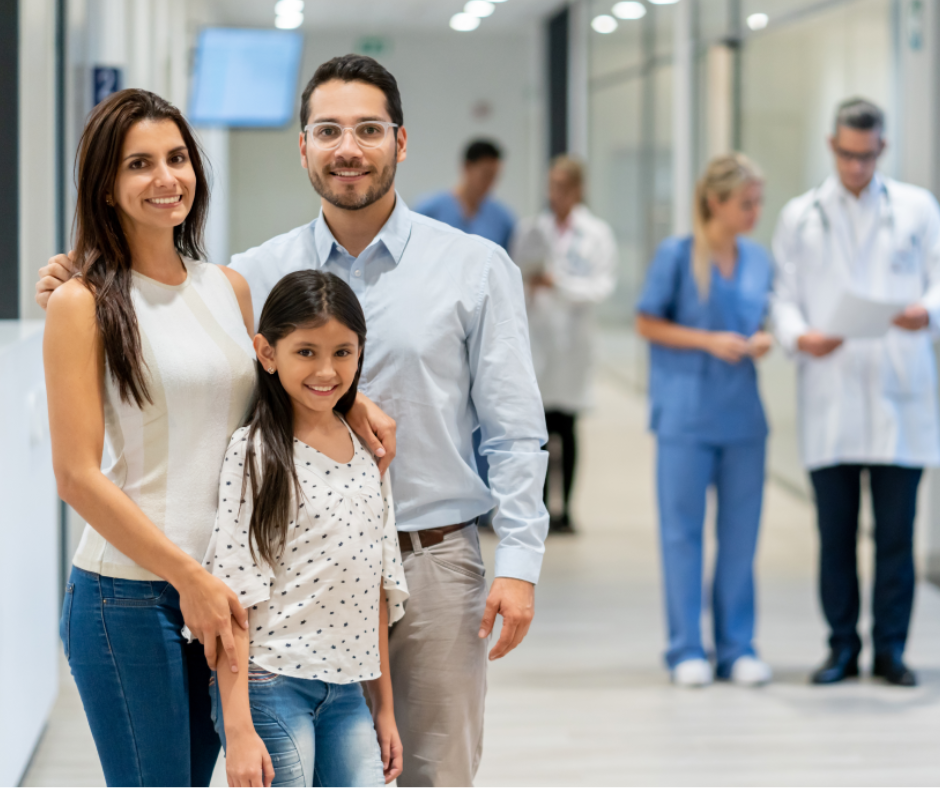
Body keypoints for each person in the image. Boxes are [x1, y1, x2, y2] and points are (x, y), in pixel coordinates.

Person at [40, 55, 549, 787]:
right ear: (303, 146)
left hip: (426, 561)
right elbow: (172, 400)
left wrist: (520, 566)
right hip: (253, 578)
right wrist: (73, 286)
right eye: (329, 129)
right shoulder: (256, 272)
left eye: (369, 129)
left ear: (400, 142)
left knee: (429, 770)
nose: (349, 147)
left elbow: (513, 428)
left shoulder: (466, 266)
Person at [42, 89, 258, 786]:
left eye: (177, 158)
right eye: (140, 164)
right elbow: (76, 475)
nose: (167, 179)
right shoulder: (83, 302)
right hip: (128, 598)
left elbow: (265, 422)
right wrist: (185, 575)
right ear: (106, 186)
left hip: (220, 588)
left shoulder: (229, 287)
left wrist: (358, 407)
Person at [206, 270, 408, 788]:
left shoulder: (368, 455)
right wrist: (239, 729)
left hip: (346, 692)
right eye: (306, 352)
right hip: (270, 684)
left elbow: (377, 589)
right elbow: (231, 601)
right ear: (267, 353)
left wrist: (383, 708)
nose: (326, 369)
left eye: (343, 352)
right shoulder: (254, 453)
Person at [771, 98, 940, 688]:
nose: (855, 168)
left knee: (896, 539)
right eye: (846, 155)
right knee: (835, 536)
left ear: (882, 150)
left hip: (901, 394)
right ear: (831, 146)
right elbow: (783, 295)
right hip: (832, 389)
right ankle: (841, 647)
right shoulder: (801, 214)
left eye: (866, 157)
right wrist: (799, 336)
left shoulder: (919, 208)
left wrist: (929, 312)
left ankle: (890, 651)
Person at [636, 153, 774, 688]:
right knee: (682, 535)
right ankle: (685, 647)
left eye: (759, 202)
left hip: (743, 419)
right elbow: (647, 321)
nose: (755, 212)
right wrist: (708, 341)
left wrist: (761, 339)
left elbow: (763, 317)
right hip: (686, 417)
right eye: (747, 203)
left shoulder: (759, 259)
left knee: (741, 538)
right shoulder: (677, 255)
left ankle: (738, 647)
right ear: (715, 202)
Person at [511, 156, 616, 533]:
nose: (555, 193)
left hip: (573, 343)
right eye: (551, 184)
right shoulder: (531, 229)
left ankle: (566, 510)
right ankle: (539, 507)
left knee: (567, 427)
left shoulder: (597, 233)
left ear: (578, 188)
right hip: (538, 340)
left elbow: (601, 287)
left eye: (562, 185)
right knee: (538, 430)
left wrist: (559, 285)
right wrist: (532, 284)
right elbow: (513, 279)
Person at [413, 139, 515, 251]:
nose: (490, 183)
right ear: (467, 167)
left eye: (494, 177)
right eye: (485, 175)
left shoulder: (502, 220)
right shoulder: (429, 212)